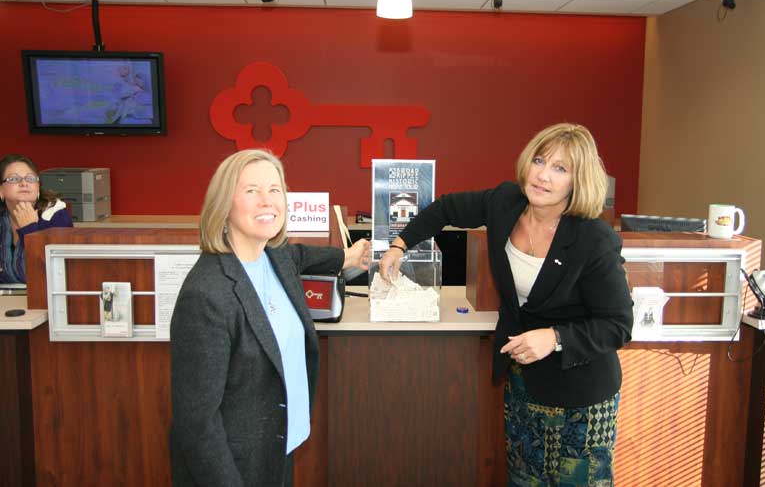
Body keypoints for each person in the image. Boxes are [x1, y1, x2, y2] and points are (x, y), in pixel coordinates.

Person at [379, 123, 633, 486]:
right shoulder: (505, 203)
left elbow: (618, 324)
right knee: (522, 479)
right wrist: (400, 244)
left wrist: (555, 337)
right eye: (540, 161)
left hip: (581, 396)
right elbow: (446, 208)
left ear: (578, 181)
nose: (543, 175)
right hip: (523, 383)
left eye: (560, 169)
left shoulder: (594, 239)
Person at [170, 149, 370, 487]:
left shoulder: (274, 258)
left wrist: (346, 256)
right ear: (224, 204)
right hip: (234, 467)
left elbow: (301, 254)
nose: (267, 201)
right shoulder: (205, 296)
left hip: (276, 446)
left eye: (275, 190)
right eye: (251, 191)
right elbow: (198, 425)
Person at [0, 154, 73, 284]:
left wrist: (30, 229)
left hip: (45, 300)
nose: (23, 183)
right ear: (1, 190)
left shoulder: (56, 215)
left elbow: (56, 271)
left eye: (30, 178)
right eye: (14, 179)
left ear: (38, 187)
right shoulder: (3, 219)